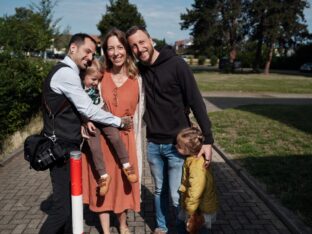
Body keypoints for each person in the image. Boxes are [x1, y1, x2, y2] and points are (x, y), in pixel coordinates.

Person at [39, 33, 132, 234]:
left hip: (68, 148)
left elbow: (77, 109)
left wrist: (83, 122)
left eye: (92, 53)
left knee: (72, 207)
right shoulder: (66, 74)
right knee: (62, 211)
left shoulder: (72, 73)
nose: (90, 57)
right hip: (61, 149)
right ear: (73, 48)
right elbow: (88, 108)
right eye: (87, 51)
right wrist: (118, 122)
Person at [126, 26, 214, 234]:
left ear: (150, 38)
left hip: (178, 146)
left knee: (176, 194)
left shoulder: (177, 65)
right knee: (159, 190)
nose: (139, 48)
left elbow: (195, 101)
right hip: (153, 144)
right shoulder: (140, 71)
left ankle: (182, 229)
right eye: (134, 46)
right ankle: (162, 226)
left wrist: (208, 140)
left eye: (142, 42)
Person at [82, 28, 144, 234]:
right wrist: (83, 123)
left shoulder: (138, 78)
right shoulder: (101, 76)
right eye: (110, 48)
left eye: (119, 47)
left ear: (126, 49)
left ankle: (124, 224)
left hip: (125, 143)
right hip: (102, 143)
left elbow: (143, 113)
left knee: (123, 186)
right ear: (105, 52)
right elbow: (86, 101)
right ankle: (106, 230)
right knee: (103, 185)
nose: (116, 52)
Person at [81, 59, 138, 197]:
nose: (95, 83)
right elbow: (78, 109)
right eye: (93, 79)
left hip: (103, 113)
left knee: (115, 136)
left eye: (97, 80)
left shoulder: (96, 85)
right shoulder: (77, 90)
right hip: (90, 121)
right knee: (94, 147)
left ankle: (126, 165)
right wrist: (84, 122)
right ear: (83, 76)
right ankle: (104, 176)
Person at [176, 127, 218, 233]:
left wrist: (189, 209)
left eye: (179, 146)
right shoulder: (193, 160)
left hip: (199, 209)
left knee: (197, 229)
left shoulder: (196, 165)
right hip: (198, 206)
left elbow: (196, 190)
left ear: (189, 149)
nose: (176, 146)